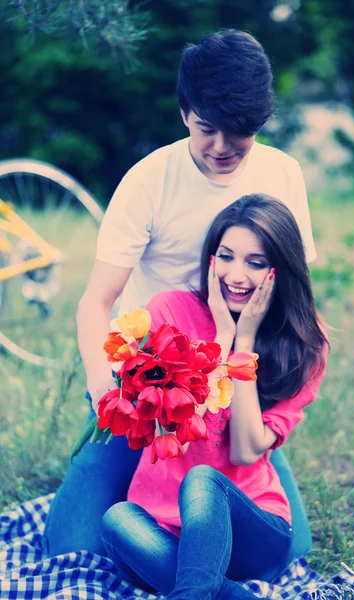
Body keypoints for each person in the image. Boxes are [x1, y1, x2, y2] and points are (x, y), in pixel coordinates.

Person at [43, 29, 317, 558]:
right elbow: (95, 301)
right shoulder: (149, 181)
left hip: (237, 379)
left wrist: (259, 398)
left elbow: (296, 290)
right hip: (155, 384)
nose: (220, 148)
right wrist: (108, 395)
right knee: (72, 547)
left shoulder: (282, 173)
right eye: (206, 128)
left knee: (291, 553)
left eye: (239, 133)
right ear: (184, 112)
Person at [100, 194, 328, 599]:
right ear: (210, 259)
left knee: (203, 480)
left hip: (251, 530)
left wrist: (244, 342)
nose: (236, 276)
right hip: (162, 527)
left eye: (255, 263)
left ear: (280, 270)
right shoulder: (169, 312)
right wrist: (220, 336)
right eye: (226, 256)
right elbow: (168, 420)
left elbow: (244, 451)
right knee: (118, 520)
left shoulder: (304, 345)